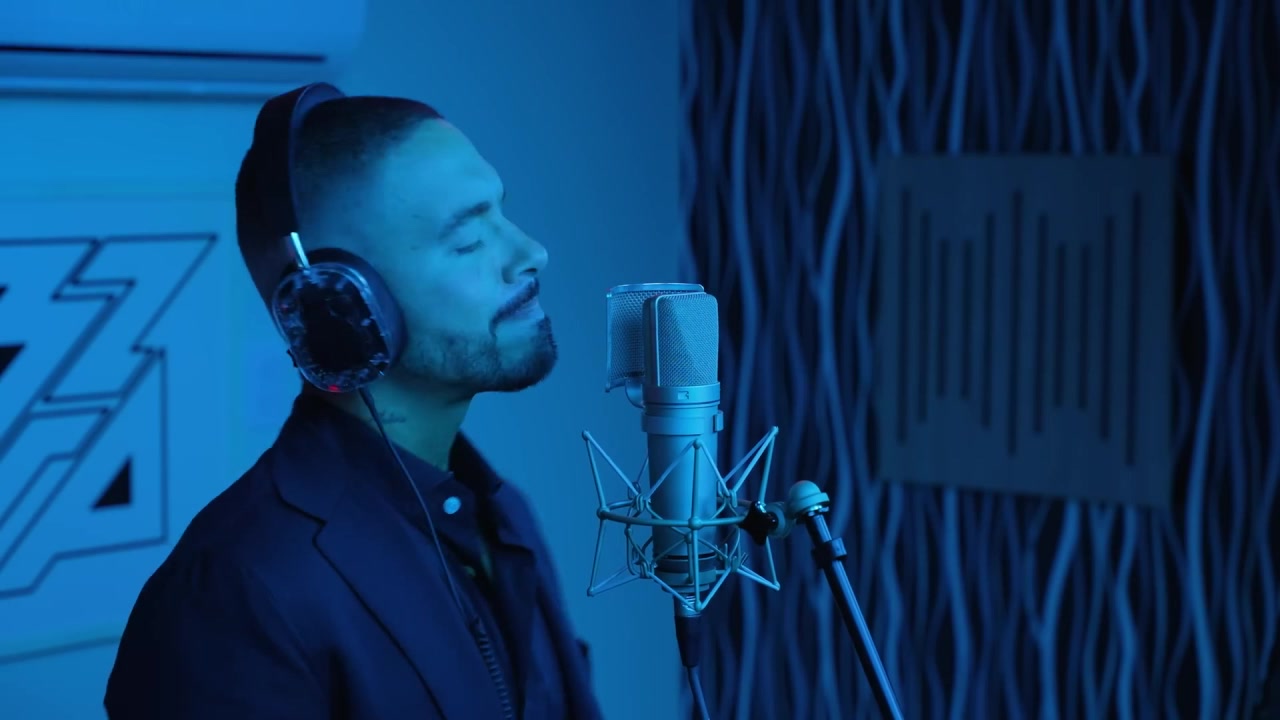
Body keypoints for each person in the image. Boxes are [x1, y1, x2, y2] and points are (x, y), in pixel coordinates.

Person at [103, 85, 603, 720]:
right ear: (340, 305)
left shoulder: (502, 516)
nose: (531, 253)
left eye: (501, 214)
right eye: (467, 240)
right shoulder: (233, 594)